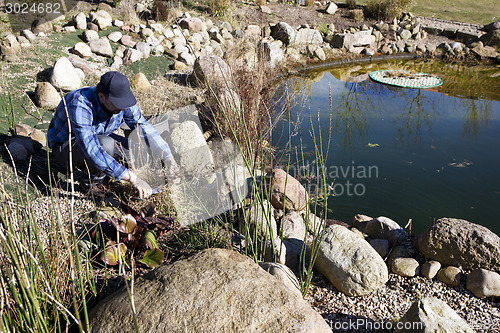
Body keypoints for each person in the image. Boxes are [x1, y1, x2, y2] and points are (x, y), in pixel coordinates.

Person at [47, 71, 178, 199]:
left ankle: (108, 169)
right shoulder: (80, 103)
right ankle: (90, 183)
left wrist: (169, 158)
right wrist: (132, 178)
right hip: (66, 147)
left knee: (138, 152)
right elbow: (92, 150)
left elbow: (144, 128)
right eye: (118, 104)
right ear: (101, 96)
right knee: (105, 145)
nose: (122, 108)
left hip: (99, 137)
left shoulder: (122, 102)